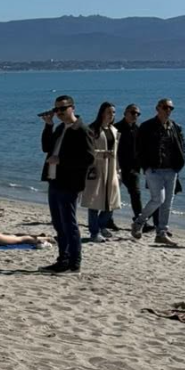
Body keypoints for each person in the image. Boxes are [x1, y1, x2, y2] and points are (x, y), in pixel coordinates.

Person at [40, 95, 94, 272]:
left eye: (63, 109)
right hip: (54, 180)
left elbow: (88, 158)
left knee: (69, 224)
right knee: (58, 223)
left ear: (73, 108)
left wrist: (61, 160)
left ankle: (74, 262)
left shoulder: (82, 130)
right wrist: (48, 125)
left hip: (69, 183)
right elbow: (46, 147)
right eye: (57, 110)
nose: (59, 113)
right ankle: (63, 259)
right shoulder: (60, 128)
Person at [131, 98, 185, 246]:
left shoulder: (175, 127)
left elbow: (182, 145)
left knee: (168, 203)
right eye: (165, 107)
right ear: (158, 108)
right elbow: (139, 148)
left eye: (171, 108)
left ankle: (161, 232)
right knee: (158, 199)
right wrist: (146, 166)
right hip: (154, 170)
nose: (168, 110)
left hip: (171, 170)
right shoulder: (147, 126)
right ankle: (139, 222)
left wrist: (180, 163)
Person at [83, 102, 122, 243]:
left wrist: (118, 169)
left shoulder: (113, 130)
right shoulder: (92, 129)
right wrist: (101, 154)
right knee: (94, 202)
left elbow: (116, 153)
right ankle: (95, 232)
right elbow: (86, 150)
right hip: (96, 169)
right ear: (102, 113)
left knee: (112, 201)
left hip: (111, 169)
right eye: (109, 112)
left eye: (114, 112)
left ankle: (101, 226)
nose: (112, 115)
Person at [114, 103, 150, 231]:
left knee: (136, 194)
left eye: (138, 114)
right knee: (113, 194)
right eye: (133, 113)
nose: (135, 115)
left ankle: (140, 222)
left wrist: (142, 165)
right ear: (125, 113)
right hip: (117, 167)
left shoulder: (138, 129)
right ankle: (107, 219)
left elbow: (141, 149)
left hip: (133, 168)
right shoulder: (116, 128)